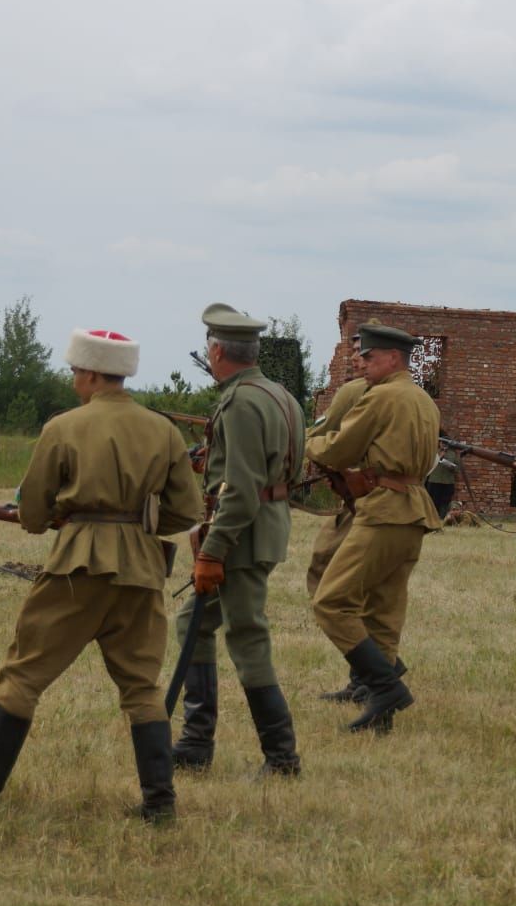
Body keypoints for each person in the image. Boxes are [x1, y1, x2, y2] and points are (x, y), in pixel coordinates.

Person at [0, 329, 200, 820]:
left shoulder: (64, 427)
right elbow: (185, 511)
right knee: (142, 687)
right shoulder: (164, 431)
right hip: (141, 569)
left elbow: (31, 513)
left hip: (78, 565)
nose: (74, 380)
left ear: (93, 374)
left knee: (23, 675)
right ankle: (160, 804)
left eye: (77, 372)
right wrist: (139, 526)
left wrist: (61, 516)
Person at [170, 304, 305, 773]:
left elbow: (242, 490)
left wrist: (212, 551)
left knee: (247, 638)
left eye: (209, 347)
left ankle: (282, 757)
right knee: (192, 623)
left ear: (217, 350)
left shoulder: (242, 402)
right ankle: (194, 743)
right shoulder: (278, 394)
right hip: (261, 529)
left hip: (243, 537)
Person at [307, 323, 441, 732]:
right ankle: (379, 712)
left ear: (393, 359)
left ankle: (386, 688)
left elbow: (337, 448)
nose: (361, 363)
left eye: (369, 357)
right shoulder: (423, 400)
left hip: (383, 509)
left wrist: (308, 442)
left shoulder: (382, 397)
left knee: (331, 601)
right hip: (413, 509)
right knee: (383, 611)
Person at [306, 329, 369, 704]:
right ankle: (368, 673)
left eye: (364, 354)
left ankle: (373, 671)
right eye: (356, 352)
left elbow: (321, 436)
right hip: (377, 504)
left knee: (329, 582)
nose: (358, 361)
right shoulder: (410, 396)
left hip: (356, 504)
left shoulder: (353, 392)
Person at [425, 433, 461, 520]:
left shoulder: (453, 454)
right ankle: (432, 518)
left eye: (445, 443)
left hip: (447, 482)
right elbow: (427, 465)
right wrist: (440, 456)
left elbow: (457, 469)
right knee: (433, 501)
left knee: (445, 502)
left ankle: (443, 518)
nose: (443, 444)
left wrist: (452, 467)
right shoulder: (433, 452)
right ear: (439, 443)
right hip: (434, 481)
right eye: (442, 442)